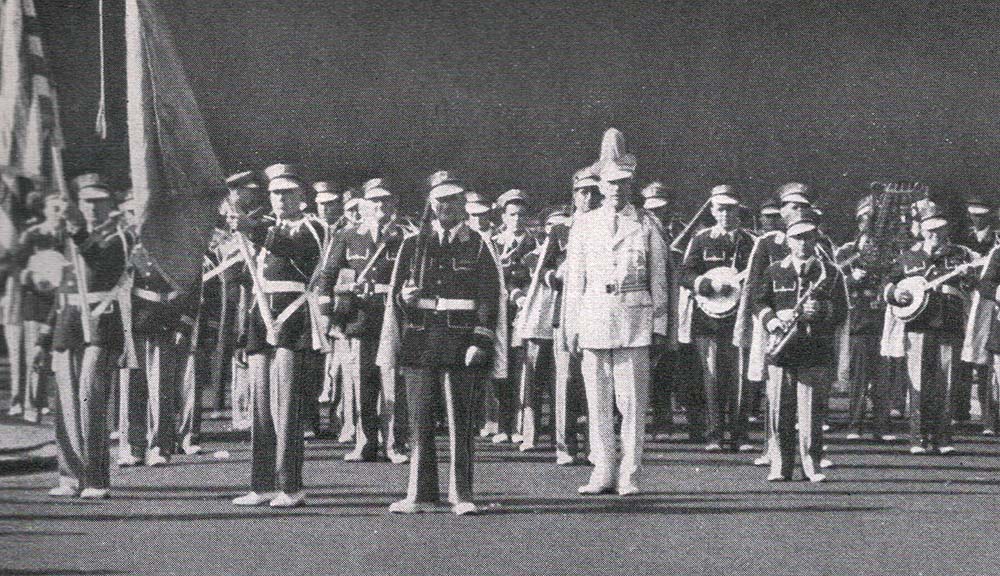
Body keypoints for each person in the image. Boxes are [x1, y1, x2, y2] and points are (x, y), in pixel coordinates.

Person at [385, 171, 502, 515]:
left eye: (453, 199)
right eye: (439, 200)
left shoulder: (479, 244)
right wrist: (405, 297)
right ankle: (420, 494)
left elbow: (489, 296)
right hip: (420, 339)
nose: (445, 206)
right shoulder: (412, 244)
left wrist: (481, 339)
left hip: (461, 339)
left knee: (461, 422)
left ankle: (462, 494)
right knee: (419, 421)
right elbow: (396, 297)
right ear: (431, 203)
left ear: (463, 203)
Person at [564, 144, 669, 496]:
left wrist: (658, 325)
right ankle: (603, 469)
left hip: (634, 319)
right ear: (600, 185)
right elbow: (574, 282)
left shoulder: (645, 223)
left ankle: (630, 472)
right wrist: (572, 326)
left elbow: (659, 279)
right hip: (594, 316)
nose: (616, 189)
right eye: (610, 183)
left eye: (623, 183)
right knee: (597, 401)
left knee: (632, 403)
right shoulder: (584, 225)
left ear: (631, 185)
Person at [231, 164, 322, 508]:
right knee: (261, 409)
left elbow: (296, 251)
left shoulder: (314, 227)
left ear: (302, 196)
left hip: (292, 317)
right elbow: (249, 281)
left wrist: (251, 230)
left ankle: (291, 485)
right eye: (275, 193)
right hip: (260, 318)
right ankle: (262, 483)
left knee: (286, 407)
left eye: (288, 193)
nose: (281, 199)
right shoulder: (264, 227)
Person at [40, 173, 130, 499]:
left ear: (110, 205)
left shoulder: (119, 237)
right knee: (64, 403)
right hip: (69, 323)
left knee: (90, 398)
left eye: (99, 202)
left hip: (101, 323)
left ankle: (95, 478)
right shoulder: (70, 239)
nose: (92, 208)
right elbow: (62, 289)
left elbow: (103, 264)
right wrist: (45, 336)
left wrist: (77, 231)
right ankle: (69, 475)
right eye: (86, 202)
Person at [751, 209, 847, 482]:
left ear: (816, 238)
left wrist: (823, 309)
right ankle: (780, 466)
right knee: (779, 410)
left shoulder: (831, 273)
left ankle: (811, 465)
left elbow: (841, 311)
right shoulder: (774, 270)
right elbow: (759, 302)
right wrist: (771, 321)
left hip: (814, 348)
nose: (803, 243)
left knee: (811, 412)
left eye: (808, 237)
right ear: (788, 240)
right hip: (782, 348)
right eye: (797, 238)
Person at [320, 178, 410, 463]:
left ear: (394, 203)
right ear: (364, 205)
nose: (380, 205)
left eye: (385, 200)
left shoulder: (406, 237)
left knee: (393, 382)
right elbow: (328, 275)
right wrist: (330, 308)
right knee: (362, 384)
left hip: (392, 315)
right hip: (358, 317)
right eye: (374, 201)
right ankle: (365, 442)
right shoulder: (347, 236)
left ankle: (395, 444)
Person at [884, 200, 978, 455]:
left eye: (939, 229)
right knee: (918, 383)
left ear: (947, 230)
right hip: (917, 327)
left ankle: (943, 438)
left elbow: (975, 284)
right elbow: (889, 285)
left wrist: (968, 276)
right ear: (921, 230)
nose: (934, 234)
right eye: (930, 229)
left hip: (949, 327)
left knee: (946, 385)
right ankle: (917, 438)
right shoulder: (909, 257)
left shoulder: (960, 256)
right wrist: (897, 294)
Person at [681, 185, 754, 453]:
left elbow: (761, 276)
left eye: (731, 209)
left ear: (739, 211)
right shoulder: (700, 240)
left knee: (739, 377)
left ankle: (740, 434)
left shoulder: (751, 242)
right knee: (710, 377)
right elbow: (685, 274)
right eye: (721, 209)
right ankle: (714, 434)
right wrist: (707, 284)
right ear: (712, 210)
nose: (726, 214)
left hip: (740, 319)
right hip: (707, 320)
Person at [838, 195, 894, 441]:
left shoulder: (890, 253)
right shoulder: (847, 252)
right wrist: (852, 279)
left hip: (884, 321)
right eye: (865, 221)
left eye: (874, 223)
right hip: (858, 323)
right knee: (859, 378)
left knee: (883, 379)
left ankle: (881, 427)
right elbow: (832, 280)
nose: (870, 227)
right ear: (858, 222)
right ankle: (855, 425)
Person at [14, 193, 68, 422]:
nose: (59, 212)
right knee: (37, 354)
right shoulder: (32, 235)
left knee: (62, 353)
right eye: (54, 208)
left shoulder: (71, 235)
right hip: (37, 301)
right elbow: (16, 267)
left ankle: (58, 406)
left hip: (62, 300)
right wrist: (33, 277)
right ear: (44, 210)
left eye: (62, 208)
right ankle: (32, 406)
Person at [489, 189, 538, 445]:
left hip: (521, 312)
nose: (516, 219)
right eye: (511, 214)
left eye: (521, 214)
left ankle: (520, 427)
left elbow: (536, 278)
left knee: (521, 369)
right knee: (499, 369)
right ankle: (501, 424)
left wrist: (522, 296)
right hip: (498, 313)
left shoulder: (535, 243)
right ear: (503, 216)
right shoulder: (493, 243)